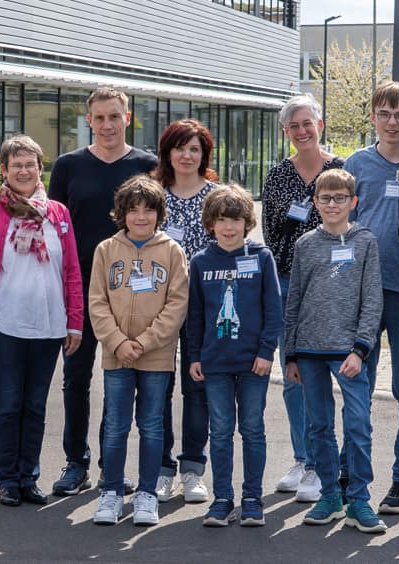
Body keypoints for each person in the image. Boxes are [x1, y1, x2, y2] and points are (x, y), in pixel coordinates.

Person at [48, 87, 158, 497]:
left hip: (131, 293)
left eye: (115, 116)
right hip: (79, 290)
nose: (107, 125)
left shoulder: (148, 166)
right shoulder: (68, 166)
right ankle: (75, 463)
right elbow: (54, 226)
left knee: (121, 382)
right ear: (89, 120)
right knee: (75, 379)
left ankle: (113, 465)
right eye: (100, 118)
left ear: (127, 118)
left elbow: (156, 225)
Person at [0, 135, 83, 507]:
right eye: (15, 165)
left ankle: (28, 475)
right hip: (5, 326)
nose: (23, 170)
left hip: (49, 326)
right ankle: (7, 479)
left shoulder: (58, 214)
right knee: (7, 405)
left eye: (29, 164)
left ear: (40, 168)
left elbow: (72, 271)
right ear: (3, 170)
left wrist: (75, 321)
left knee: (35, 406)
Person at [284, 169, 385, 534]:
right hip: (309, 350)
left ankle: (359, 498)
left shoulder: (366, 242)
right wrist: (291, 355)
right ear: (315, 203)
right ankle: (330, 495)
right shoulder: (305, 244)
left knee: (358, 424)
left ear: (353, 202)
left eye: (340, 198)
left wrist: (361, 348)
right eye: (325, 198)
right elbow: (293, 301)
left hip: (349, 351)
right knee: (319, 426)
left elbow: (372, 300)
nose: (332, 204)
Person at [343, 81, 399, 514]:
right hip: (363, 294)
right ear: (373, 117)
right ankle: (352, 475)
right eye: (384, 113)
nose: (392, 122)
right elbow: (344, 226)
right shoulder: (357, 163)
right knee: (357, 387)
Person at [89, 175, 188, 527]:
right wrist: (118, 342)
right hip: (117, 355)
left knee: (151, 425)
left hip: (156, 356)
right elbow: (97, 302)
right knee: (115, 425)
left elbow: (176, 305)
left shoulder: (172, 251)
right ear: (122, 214)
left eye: (148, 210)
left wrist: (143, 343)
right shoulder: (106, 250)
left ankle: (147, 493)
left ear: (159, 213)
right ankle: (111, 492)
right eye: (133, 211)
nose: (141, 217)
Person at [261, 94, 344, 503]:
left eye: (307, 122)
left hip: (332, 286)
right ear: (285, 133)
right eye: (293, 126)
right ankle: (303, 459)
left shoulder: (342, 170)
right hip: (289, 286)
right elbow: (271, 234)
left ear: (320, 124)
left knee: (326, 377)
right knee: (293, 376)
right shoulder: (277, 176)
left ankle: (325, 463)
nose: (301, 131)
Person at [186, 185, 282, 527]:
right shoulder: (200, 262)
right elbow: (194, 314)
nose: (229, 227)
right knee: (222, 430)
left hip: (253, 362)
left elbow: (273, 308)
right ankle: (223, 499)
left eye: (236, 220)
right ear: (211, 223)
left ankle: (252, 498)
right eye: (222, 220)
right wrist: (194, 356)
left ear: (247, 222)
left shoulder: (261, 256)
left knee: (253, 428)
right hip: (214, 363)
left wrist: (266, 351)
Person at [152, 119, 218, 504]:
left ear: (203, 155)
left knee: (197, 389)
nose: (187, 155)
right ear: (167, 152)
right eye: (180, 148)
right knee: (159, 389)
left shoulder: (216, 196)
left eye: (194, 149)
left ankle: (192, 468)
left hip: (203, 308)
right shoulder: (154, 194)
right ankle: (161, 469)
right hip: (157, 307)